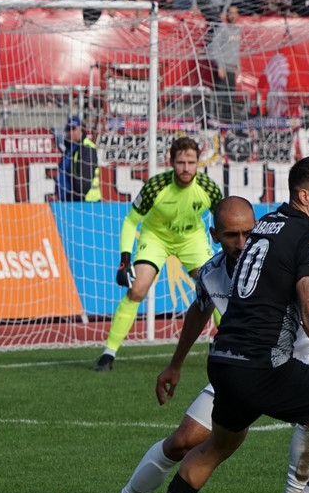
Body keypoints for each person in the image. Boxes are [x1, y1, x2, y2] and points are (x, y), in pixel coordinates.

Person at [84, 196, 309, 493]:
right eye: (232, 235)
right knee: (185, 440)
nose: (242, 242)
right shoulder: (211, 273)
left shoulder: (278, 261)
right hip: (244, 364)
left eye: (249, 232)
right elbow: (199, 310)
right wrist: (175, 364)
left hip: (294, 361)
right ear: (214, 235)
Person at [93, 137, 223, 372]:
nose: (186, 168)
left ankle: (226, 342)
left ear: (198, 163)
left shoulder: (209, 189)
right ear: (171, 162)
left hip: (191, 240)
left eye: (191, 162)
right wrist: (124, 260)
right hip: (156, 238)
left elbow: (223, 220)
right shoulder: (155, 186)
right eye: (181, 162)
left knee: (216, 287)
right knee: (137, 289)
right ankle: (108, 353)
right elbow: (130, 221)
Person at [205, 5, 242, 119]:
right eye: (230, 13)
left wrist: (238, 67)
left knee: (230, 98)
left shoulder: (238, 30)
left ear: (238, 15)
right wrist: (219, 66)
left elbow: (236, 50)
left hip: (231, 69)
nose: (232, 16)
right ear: (227, 15)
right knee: (219, 96)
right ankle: (214, 120)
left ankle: (227, 121)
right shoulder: (221, 29)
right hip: (223, 68)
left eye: (235, 13)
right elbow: (214, 48)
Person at [55, 115, 102, 202]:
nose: (71, 132)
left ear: (80, 129)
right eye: (68, 129)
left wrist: (71, 198)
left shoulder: (87, 148)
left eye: (74, 128)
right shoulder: (69, 149)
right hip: (68, 201)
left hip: (87, 202)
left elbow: (84, 182)